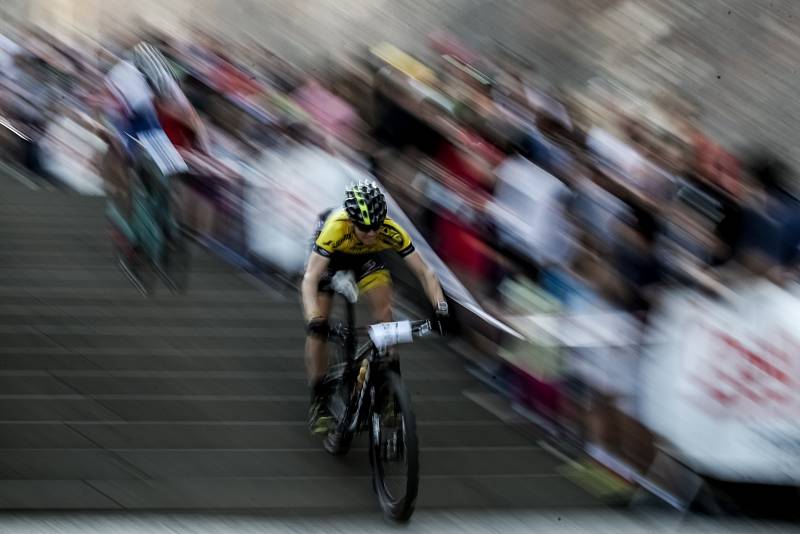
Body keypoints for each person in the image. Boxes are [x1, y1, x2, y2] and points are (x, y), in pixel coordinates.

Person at [301, 180, 449, 435]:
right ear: (351, 221)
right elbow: (310, 279)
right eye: (364, 228)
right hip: (332, 258)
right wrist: (313, 317)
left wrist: (441, 307)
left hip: (367, 259)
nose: (371, 233)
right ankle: (319, 396)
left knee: (385, 315)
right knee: (319, 329)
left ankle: (388, 388)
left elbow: (426, 272)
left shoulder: (388, 230)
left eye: (376, 227)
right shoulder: (335, 228)